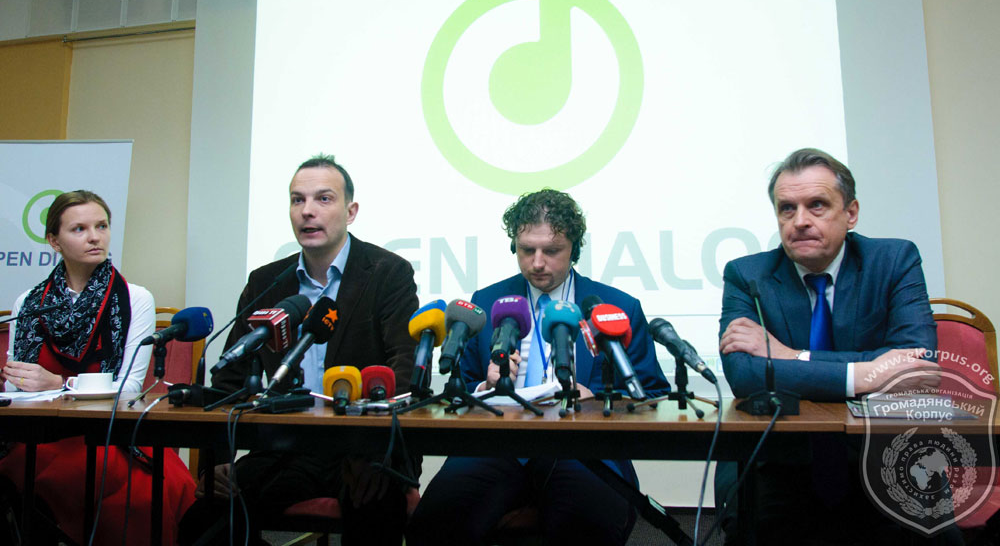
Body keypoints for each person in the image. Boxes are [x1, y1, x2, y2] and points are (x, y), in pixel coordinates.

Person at [407, 189, 670, 546]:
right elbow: (461, 386)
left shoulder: (616, 306)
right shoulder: (486, 301)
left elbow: (653, 392)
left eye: (552, 251)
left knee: (590, 522)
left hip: (585, 448)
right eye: (527, 250)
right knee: (436, 520)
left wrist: (598, 401)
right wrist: (485, 388)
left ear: (574, 250)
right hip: (497, 445)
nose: (537, 262)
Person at [181, 155, 419, 546]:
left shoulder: (387, 272)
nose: (307, 211)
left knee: (375, 508)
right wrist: (218, 461)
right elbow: (229, 379)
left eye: (323, 199)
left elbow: (404, 370)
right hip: (287, 448)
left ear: (351, 212)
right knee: (202, 522)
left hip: (365, 447)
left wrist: (374, 454)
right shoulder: (266, 283)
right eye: (297, 200)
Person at [717, 148, 946, 544]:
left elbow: (917, 364)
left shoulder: (894, 260)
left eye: (817, 205)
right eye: (787, 209)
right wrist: (865, 373)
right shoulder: (747, 274)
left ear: (851, 213)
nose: (800, 221)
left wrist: (791, 356)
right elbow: (745, 376)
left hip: (885, 456)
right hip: (780, 458)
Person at [0, 190, 196, 545]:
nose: (95, 237)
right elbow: (16, 391)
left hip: (112, 435)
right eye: (79, 229)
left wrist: (60, 384)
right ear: (54, 241)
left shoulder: (135, 298)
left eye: (101, 226)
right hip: (44, 436)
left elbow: (129, 389)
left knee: (139, 498)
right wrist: (40, 387)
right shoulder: (28, 302)